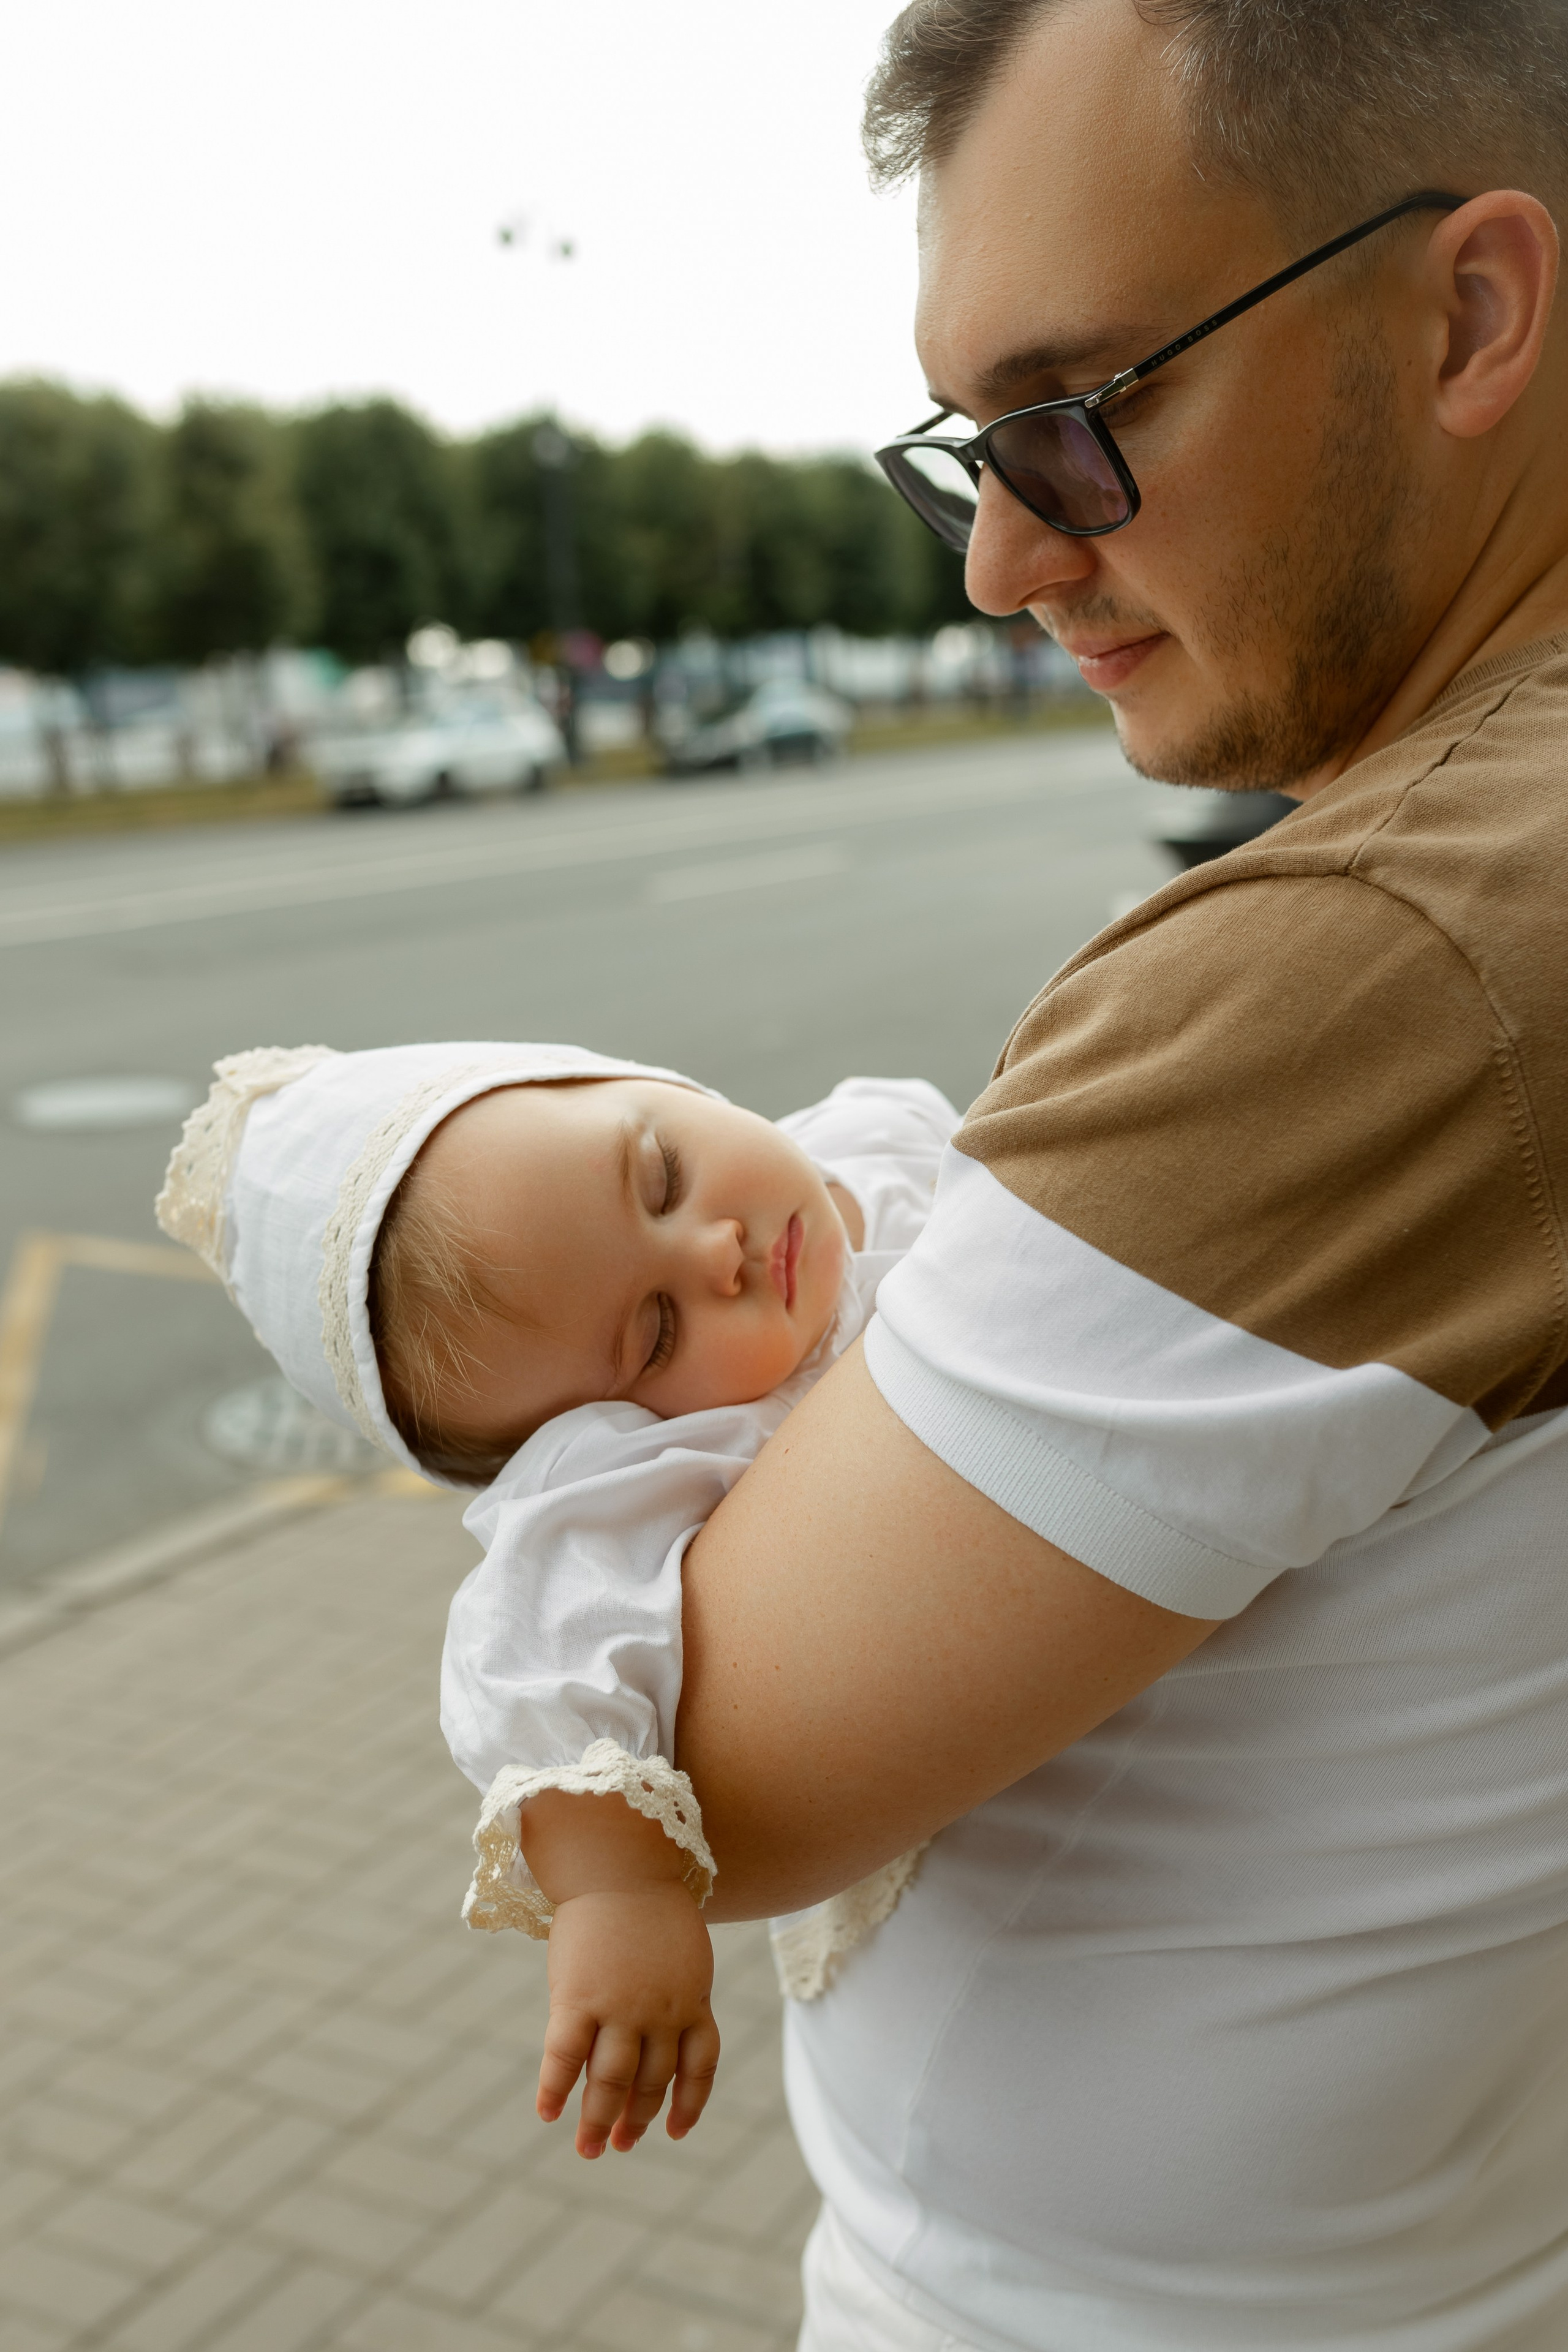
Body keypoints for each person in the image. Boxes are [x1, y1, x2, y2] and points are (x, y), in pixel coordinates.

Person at [626, 4, 1568, 2349]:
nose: (1002, 561)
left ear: (1471, 311)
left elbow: (705, 1777)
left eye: (1079, 418)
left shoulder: (1395, 947)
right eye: (966, 451)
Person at [154, 1041, 957, 2159]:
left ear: (649, 1084)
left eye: (663, 1173)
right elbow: (542, 1647)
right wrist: (617, 1897)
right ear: (589, 1432)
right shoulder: (658, 1460)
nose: (719, 1250)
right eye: (658, 1332)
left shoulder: (874, 1136)